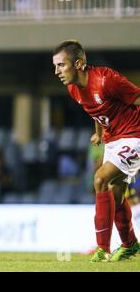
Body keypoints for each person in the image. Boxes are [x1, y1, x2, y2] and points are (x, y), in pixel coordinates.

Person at [52, 40, 140, 262]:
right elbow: (96, 111)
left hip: (134, 134)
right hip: (112, 139)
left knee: (100, 179)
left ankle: (103, 249)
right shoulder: (73, 89)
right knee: (118, 194)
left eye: (61, 65)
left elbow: (137, 97)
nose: (57, 72)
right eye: (55, 66)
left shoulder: (106, 79)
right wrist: (99, 133)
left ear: (79, 63)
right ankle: (130, 244)